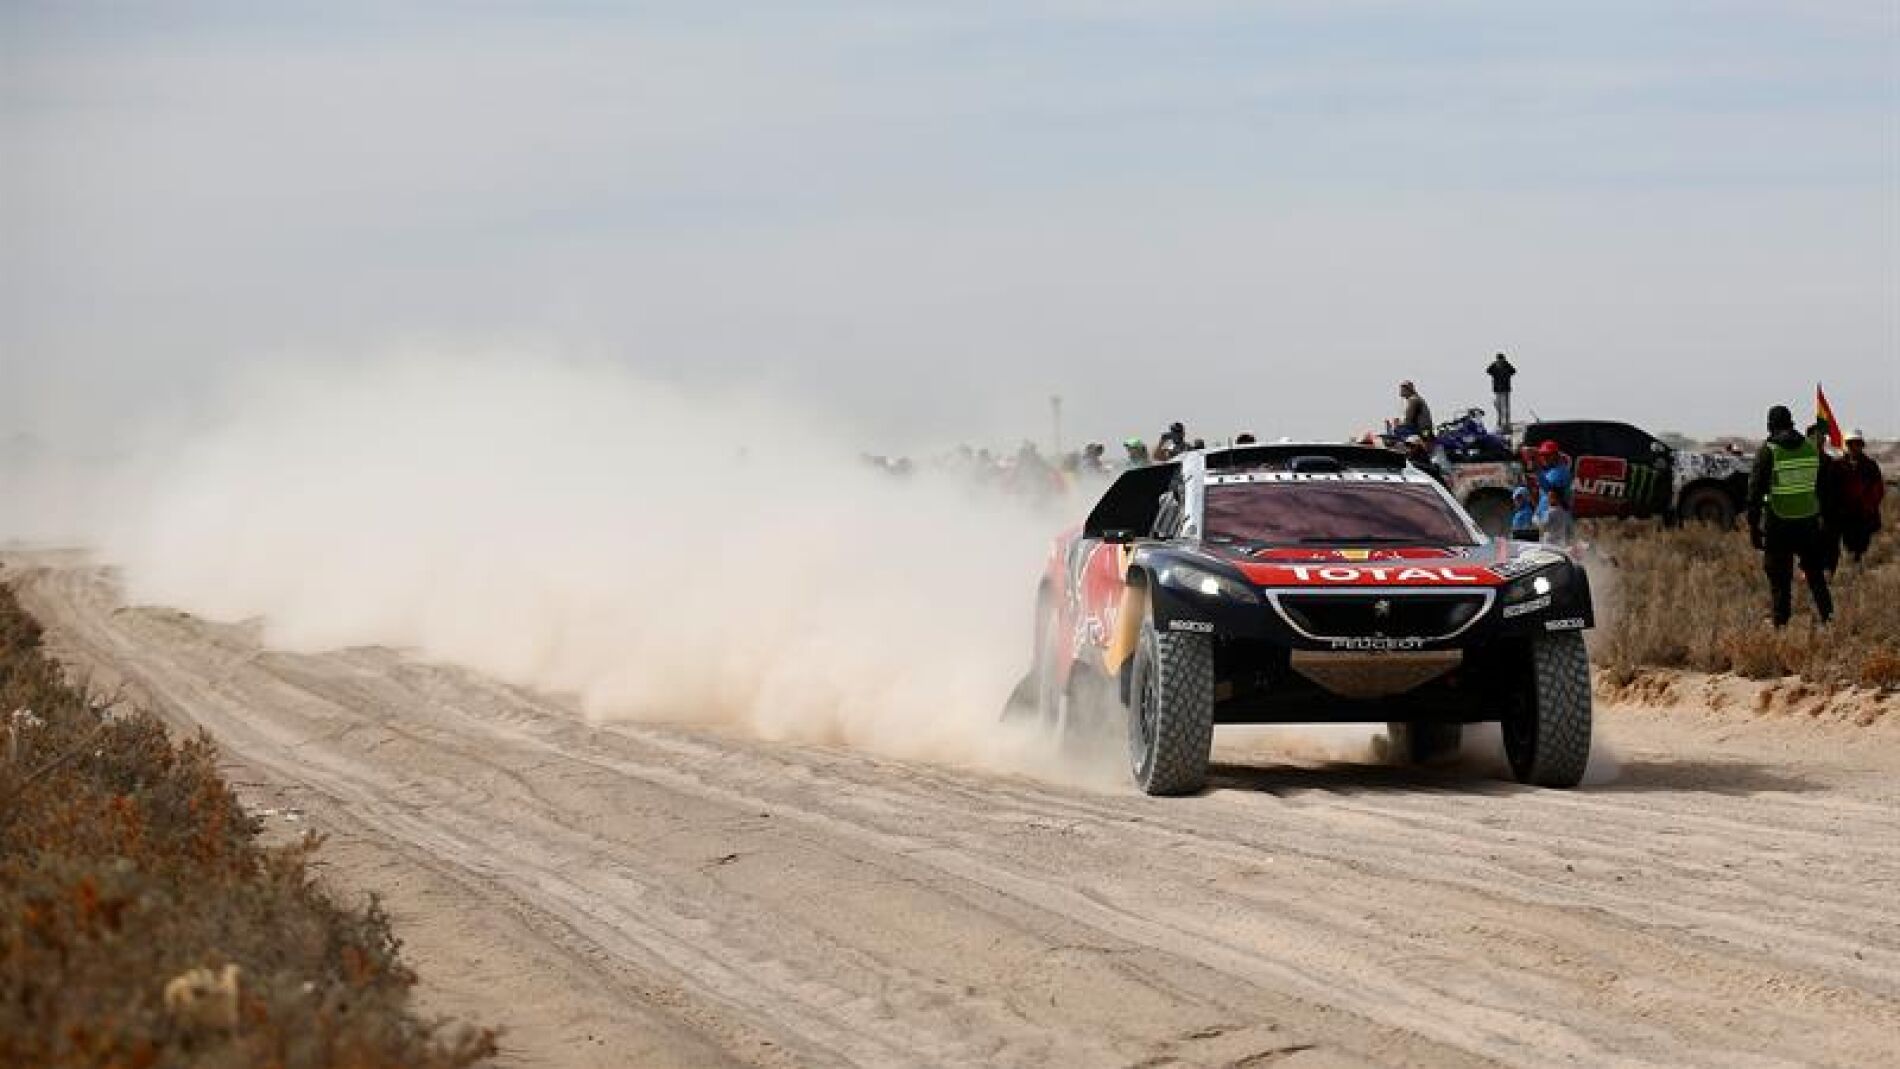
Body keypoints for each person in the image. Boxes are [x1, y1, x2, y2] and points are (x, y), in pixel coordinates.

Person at [1746, 405, 1834, 627]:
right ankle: (1829, 619)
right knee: (1815, 575)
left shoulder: (1768, 451)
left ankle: (1781, 626)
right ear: (1791, 422)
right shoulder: (1810, 449)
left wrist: (1753, 527)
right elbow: (1823, 488)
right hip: (1808, 522)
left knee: (1779, 578)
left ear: (1770, 425)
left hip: (1779, 522)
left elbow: (1754, 492)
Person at [1839, 428, 1885, 563]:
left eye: (1857, 444)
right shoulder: (1838, 466)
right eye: (1851, 444)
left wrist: (1868, 505)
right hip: (1845, 516)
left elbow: (1878, 489)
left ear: (1861, 445)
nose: (1854, 447)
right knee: (1848, 548)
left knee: (1862, 549)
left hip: (1865, 516)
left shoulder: (1870, 466)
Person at [1533, 439, 1574, 546]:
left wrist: (1537, 471)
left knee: (1553, 549)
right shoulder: (1549, 472)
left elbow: (1550, 489)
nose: (1544, 458)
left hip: (1557, 519)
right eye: (1542, 455)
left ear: (1555, 455)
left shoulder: (1561, 471)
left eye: (1547, 455)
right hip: (1547, 518)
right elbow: (1544, 496)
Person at [1487, 352, 1517, 434]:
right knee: (1498, 406)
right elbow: (1488, 370)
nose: (1500, 361)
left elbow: (1513, 371)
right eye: (1498, 360)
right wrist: (1495, 364)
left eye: (1501, 360)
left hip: (1505, 390)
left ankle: (1506, 423)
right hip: (1497, 390)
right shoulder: (1494, 367)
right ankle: (1500, 423)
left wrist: (1506, 364)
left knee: (1505, 408)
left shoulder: (1507, 366)